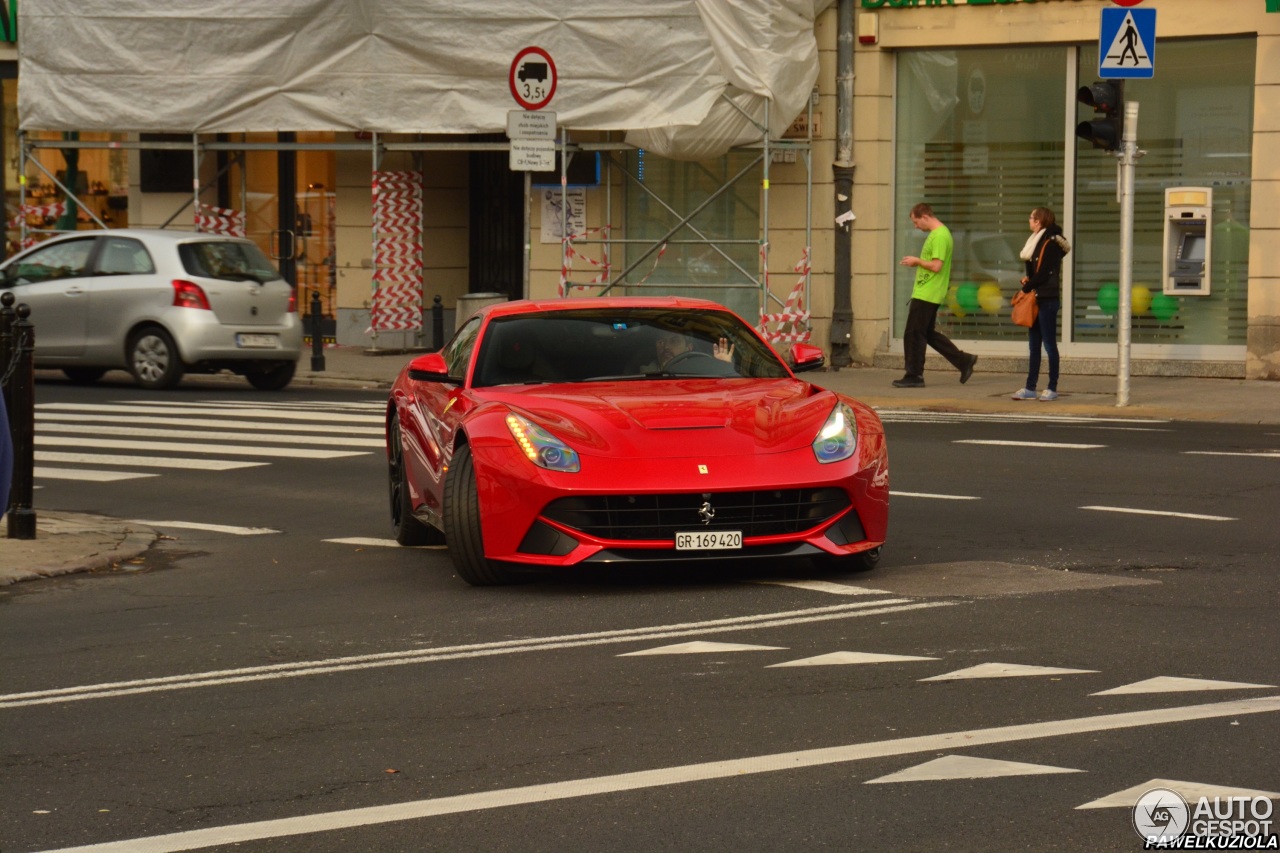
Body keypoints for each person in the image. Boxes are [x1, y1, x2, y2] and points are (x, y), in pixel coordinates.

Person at [894, 203, 978, 388]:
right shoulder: (939, 234)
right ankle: (963, 361)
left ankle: (914, 375)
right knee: (927, 333)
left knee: (913, 334)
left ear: (925, 216)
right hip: (929, 291)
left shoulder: (940, 235)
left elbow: (936, 266)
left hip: (928, 292)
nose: (916, 226)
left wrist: (916, 261)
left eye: (916, 222)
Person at [1011, 207, 1071, 401]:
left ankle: (1052, 387)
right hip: (1035, 299)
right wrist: (1027, 281)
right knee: (1033, 345)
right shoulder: (1033, 243)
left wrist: (1026, 288)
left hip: (1047, 299)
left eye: (1031, 218)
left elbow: (1044, 273)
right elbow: (1033, 273)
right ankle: (1030, 387)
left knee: (1049, 344)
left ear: (1039, 221)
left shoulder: (1051, 242)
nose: (1029, 220)